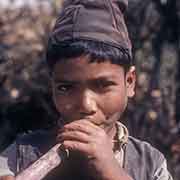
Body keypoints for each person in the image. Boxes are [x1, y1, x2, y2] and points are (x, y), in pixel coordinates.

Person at [0, 0, 173, 180]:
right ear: (52, 87)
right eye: (66, 87)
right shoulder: (20, 156)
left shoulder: (150, 163)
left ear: (129, 82)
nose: (86, 105)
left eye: (103, 85)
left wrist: (112, 171)